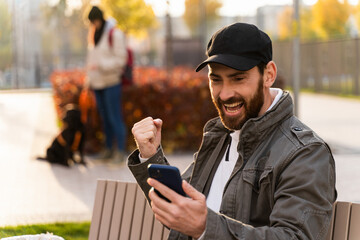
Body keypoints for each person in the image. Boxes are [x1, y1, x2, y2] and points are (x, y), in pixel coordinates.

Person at [128, 23, 336, 239]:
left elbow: (295, 236)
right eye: (215, 79)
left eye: (238, 78)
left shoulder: (306, 153)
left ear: (268, 75)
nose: (225, 94)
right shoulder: (220, 136)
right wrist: (151, 156)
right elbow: (183, 211)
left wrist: (206, 228)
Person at [86, 6, 128, 162]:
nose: (93, 25)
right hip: (97, 84)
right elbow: (91, 59)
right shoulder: (94, 34)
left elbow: (121, 60)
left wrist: (102, 65)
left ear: (99, 19)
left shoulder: (114, 33)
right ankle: (108, 149)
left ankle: (120, 152)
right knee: (104, 119)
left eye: (94, 21)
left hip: (111, 82)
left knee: (114, 117)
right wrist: (88, 79)